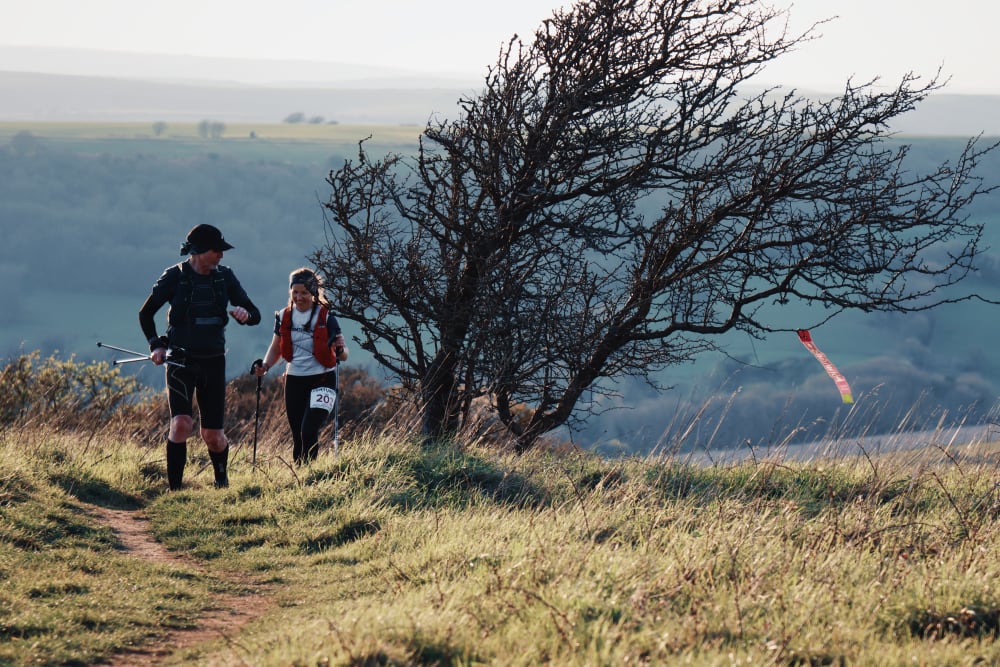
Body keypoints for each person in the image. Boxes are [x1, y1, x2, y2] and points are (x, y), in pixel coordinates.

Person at [139, 224, 261, 490]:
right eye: (217, 250)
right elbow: (145, 314)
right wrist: (155, 346)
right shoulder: (174, 276)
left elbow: (255, 314)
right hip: (180, 361)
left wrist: (245, 316)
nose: (221, 255)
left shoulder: (225, 277)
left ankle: (221, 483)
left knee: (213, 435)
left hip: (214, 361)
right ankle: (175, 491)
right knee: (182, 424)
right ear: (200, 251)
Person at [252, 267, 348, 464]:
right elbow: (276, 348)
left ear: (313, 293)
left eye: (304, 292)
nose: (299, 297)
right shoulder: (283, 316)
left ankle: (310, 472)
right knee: (297, 434)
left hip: (323, 378)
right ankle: (300, 473)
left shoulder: (327, 317)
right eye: (295, 292)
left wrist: (340, 348)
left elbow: (344, 355)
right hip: (294, 380)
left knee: (308, 430)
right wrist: (265, 365)